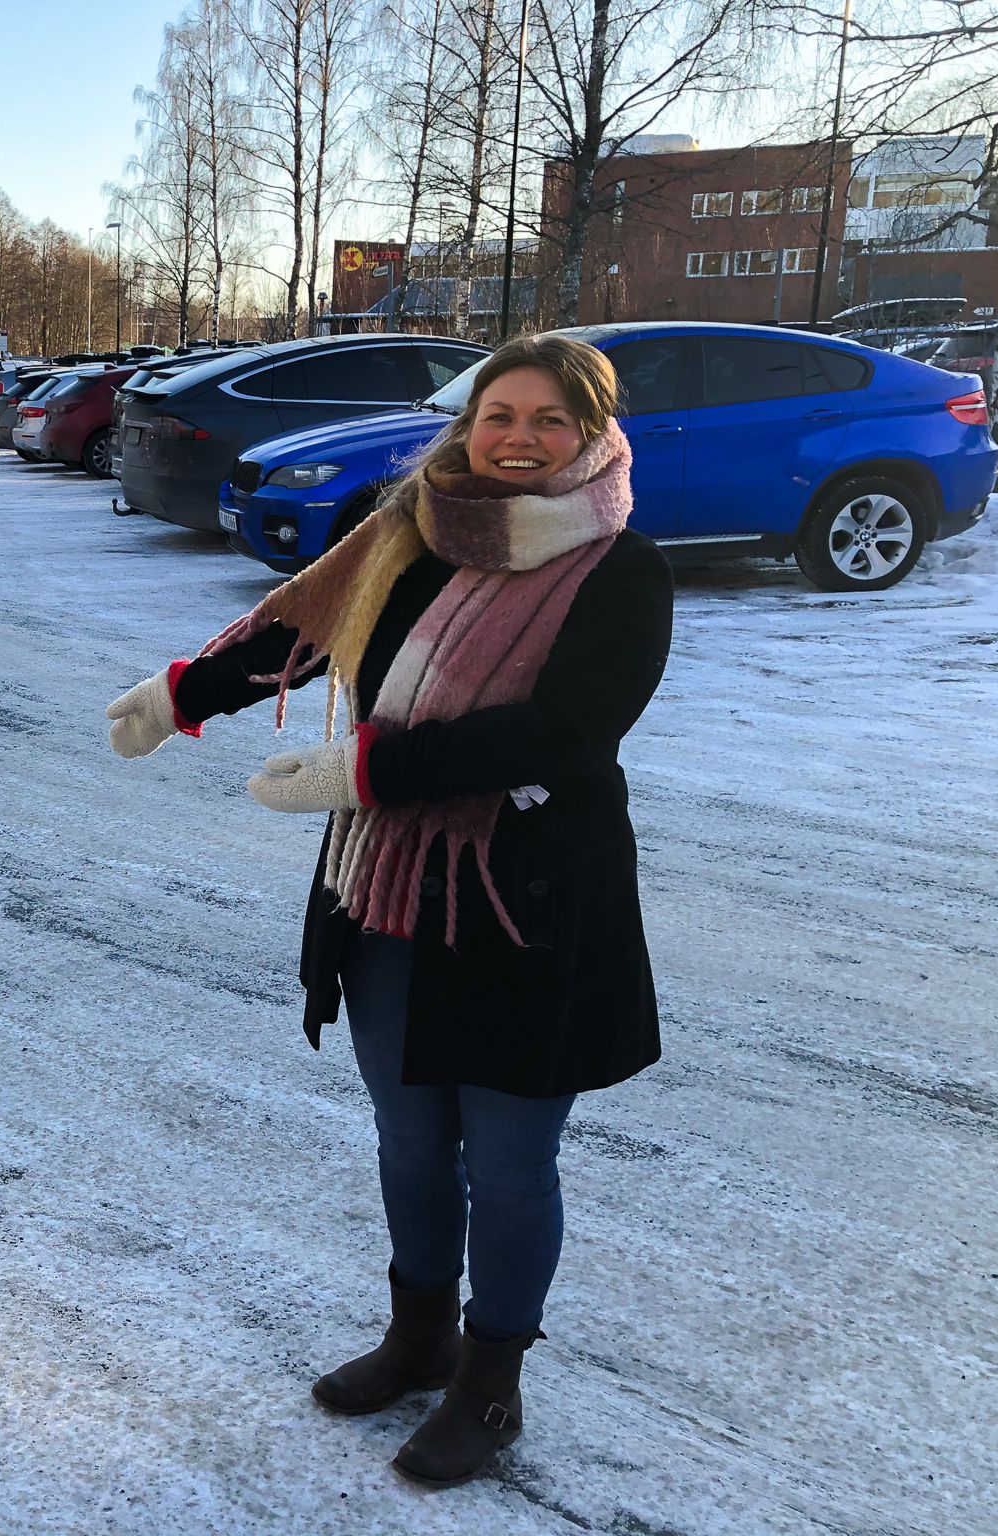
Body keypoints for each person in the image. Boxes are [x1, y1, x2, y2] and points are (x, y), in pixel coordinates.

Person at [105, 334, 672, 1487]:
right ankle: (419, 1340)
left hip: (524, 903)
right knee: (409, 1139)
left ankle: (489, 1383)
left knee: (506, 1164)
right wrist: (182, 695)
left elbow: (561, 736)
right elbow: (306, 629)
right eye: (497, 414)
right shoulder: (411, 527)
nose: (517, 438)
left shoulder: (617, 568)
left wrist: (365, 771)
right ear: (466, 424)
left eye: (548, 420)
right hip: (387, 891)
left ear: (590, 434)